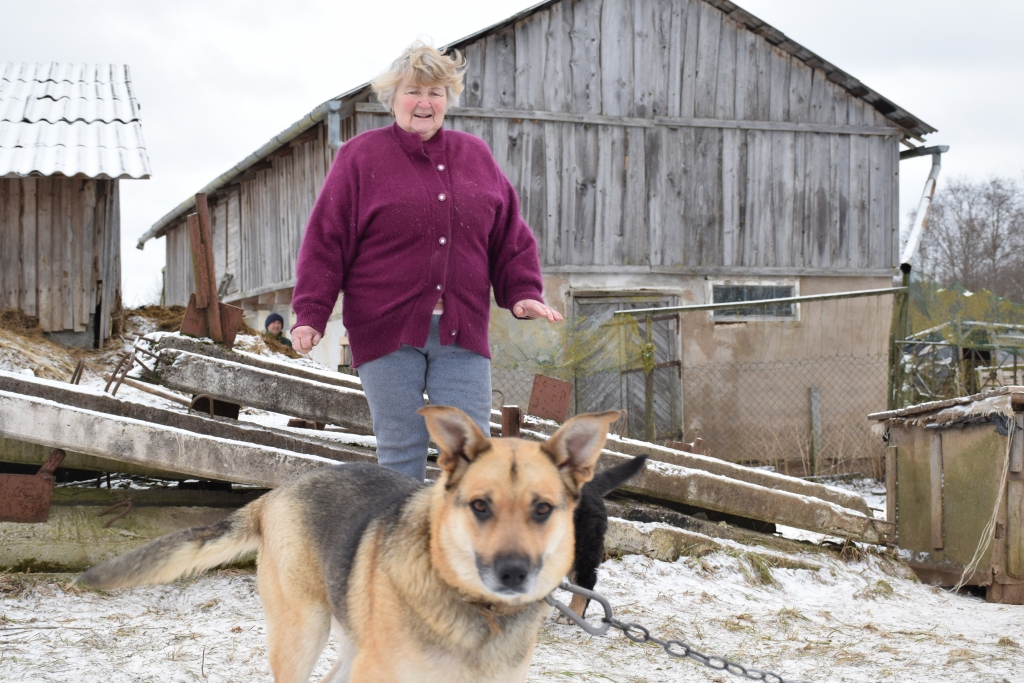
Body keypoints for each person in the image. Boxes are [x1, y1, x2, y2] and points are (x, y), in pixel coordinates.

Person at [290, 41, 561, 481]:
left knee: (472, 453)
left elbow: (508, 234)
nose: (424, 102)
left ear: (447, 101)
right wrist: (311, 314)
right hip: (385, 330)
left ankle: (462, 547)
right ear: (392, 99)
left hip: (462, 331)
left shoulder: (475, 155)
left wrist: (522, 293)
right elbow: (326, 240)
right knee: (401, 448)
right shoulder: (359, 157)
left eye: (436, 92)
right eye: (413, 91)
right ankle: (403, 546)